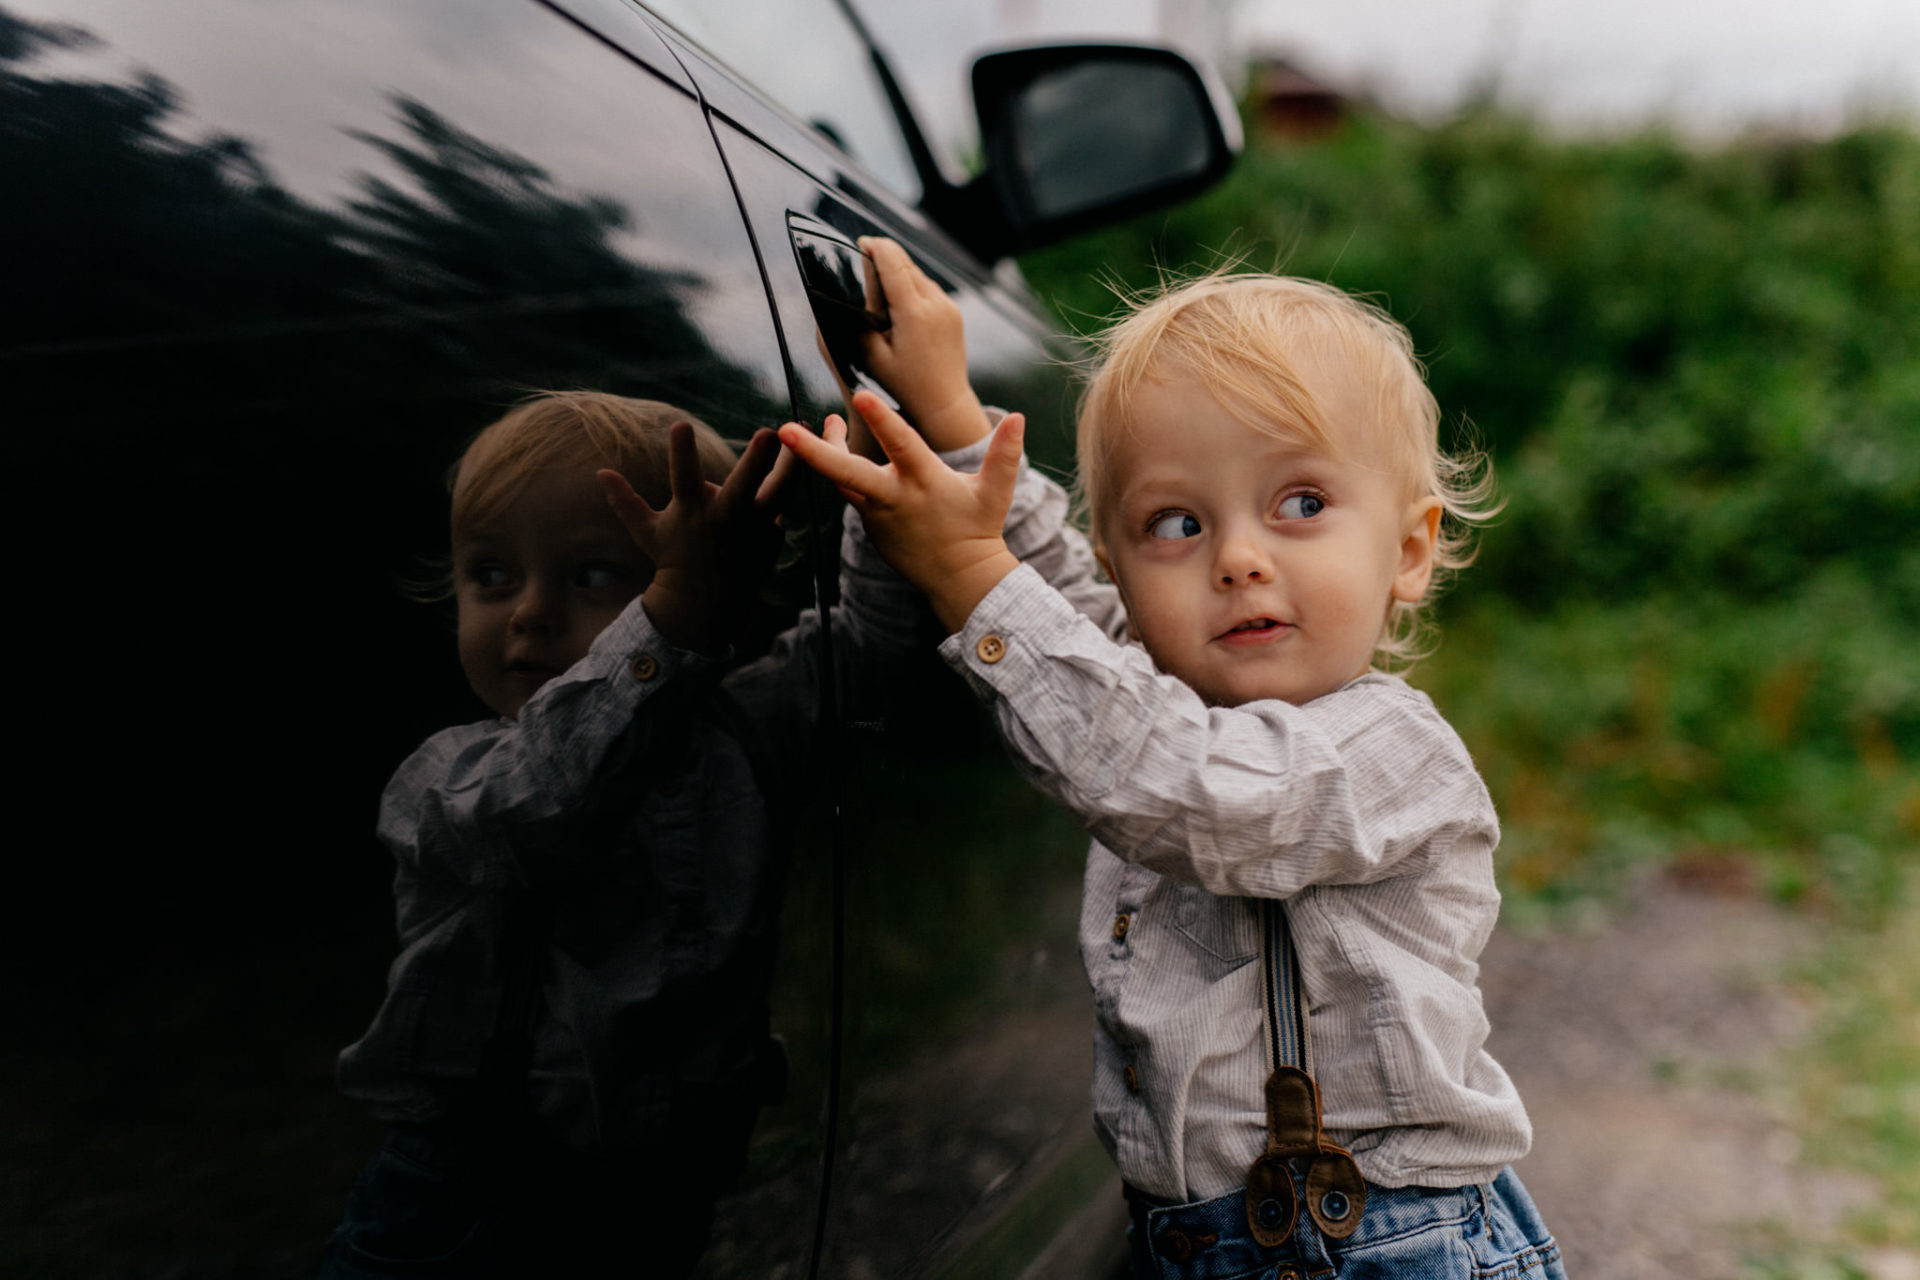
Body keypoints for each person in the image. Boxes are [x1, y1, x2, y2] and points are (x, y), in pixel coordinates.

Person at [780, 263, 1567, 1280]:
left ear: (1410, 549)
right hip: (1201, 1242)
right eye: (1176, 524)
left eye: (1300, 501)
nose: (1236, 557)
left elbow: (1187, 786)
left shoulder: (1390, 750)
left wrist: (970, 574)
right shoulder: (1176, 690)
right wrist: (952, 415)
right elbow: (1071, 625)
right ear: (1121, 562)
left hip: (1373, 1246)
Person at [327, 265, 1006, 1279]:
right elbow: (547, 800)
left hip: (662, 1178)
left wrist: (877, 499)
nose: (527, 612)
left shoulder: (747, 724)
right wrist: (665, 618)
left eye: (596, 574)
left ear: (719, 579)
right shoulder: (448, 778)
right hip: (466, 1194)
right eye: (491, 573)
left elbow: (870, 643)